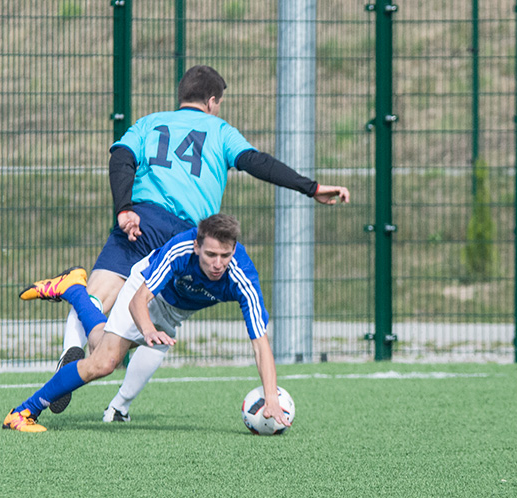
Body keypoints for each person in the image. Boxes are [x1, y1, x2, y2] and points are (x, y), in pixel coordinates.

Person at [46, 65, 350, 416]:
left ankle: (70, 348)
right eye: (219, 104)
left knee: (96, 294)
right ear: (211, 101)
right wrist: (310, 188)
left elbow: (121, 159)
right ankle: (119, 405)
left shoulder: (149, 122)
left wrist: (124, 208)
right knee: (157, 327)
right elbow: (257, 163)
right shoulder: (220, 131)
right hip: (182, 238)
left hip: (139, 221)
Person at [4, 214, 293, 432]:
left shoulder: (243, 277)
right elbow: (138, 301)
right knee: (104, 362)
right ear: (197, 246)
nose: (218, 264)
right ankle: (23, 413)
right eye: (211, 255)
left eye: (225, 256)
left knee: (98, 343)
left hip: (175, 312)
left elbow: (260, 343)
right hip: (146, 292)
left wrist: (270, 397)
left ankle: (73, 289)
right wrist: (148, 330)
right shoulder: (180, 250)